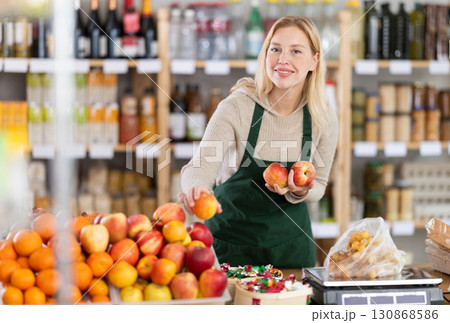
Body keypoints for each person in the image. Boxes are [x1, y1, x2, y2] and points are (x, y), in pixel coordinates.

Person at [179, 16, 338, 268]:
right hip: (230, 247)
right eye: (275, 49)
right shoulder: (237, 107)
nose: (282, 59)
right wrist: (197, 187)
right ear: (265, 54)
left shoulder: (322, 116)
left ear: (314, 60)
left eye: (296, 51)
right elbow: (199, 166)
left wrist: (300, 190)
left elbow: (318, 185)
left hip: (291, 251)